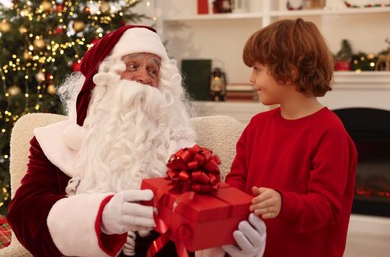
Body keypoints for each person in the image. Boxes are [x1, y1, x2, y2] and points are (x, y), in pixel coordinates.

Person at [7, 25, 266, 257]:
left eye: (152, 70)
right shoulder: (54, 143)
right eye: (132, 66)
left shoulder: (186, 154)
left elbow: (205, 225)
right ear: (103, 78)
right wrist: (101, 217)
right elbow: (25, 214)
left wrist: (235, 249)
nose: (144, 78)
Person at [225, 18, 358, 257]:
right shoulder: (257, 125)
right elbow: (237, 178)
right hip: (256, 250)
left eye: (257, 68)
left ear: (289, 72)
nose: (251, 78)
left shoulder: (331, 133)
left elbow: (327, 206)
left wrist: (283, 203)